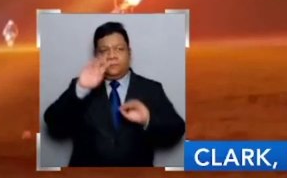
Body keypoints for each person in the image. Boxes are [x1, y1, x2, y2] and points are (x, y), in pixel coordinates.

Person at [43, 21, 185, 167]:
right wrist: (81, 88)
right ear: (96, 56)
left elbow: (176, 130)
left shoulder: (151, 89)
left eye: (119, 49)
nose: (112, 55)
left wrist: (147, 119)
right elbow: (53, 124)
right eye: (104, 50)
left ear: (129, 53)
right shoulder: (80, 87)